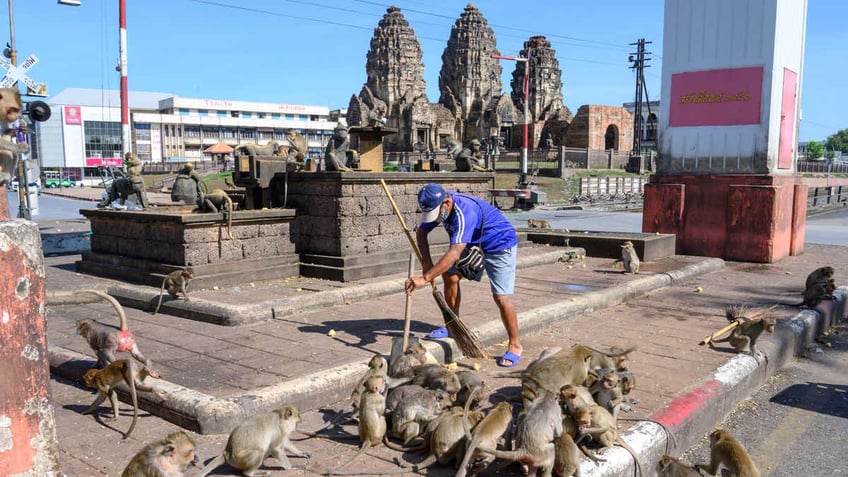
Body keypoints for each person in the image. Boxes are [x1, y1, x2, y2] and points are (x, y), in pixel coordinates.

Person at [404, 183, 522, 367]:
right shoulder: (439, 206)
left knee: (501, 297)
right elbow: (421, 233)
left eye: (436, 213)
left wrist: (425, 278)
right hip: (472, 242)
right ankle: (453, 325)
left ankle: (515, 345)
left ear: (446, 203)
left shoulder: (464, 212)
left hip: (499, 243)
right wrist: (427, 264)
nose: (435, 218)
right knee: (449, 276)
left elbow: (454, 253)